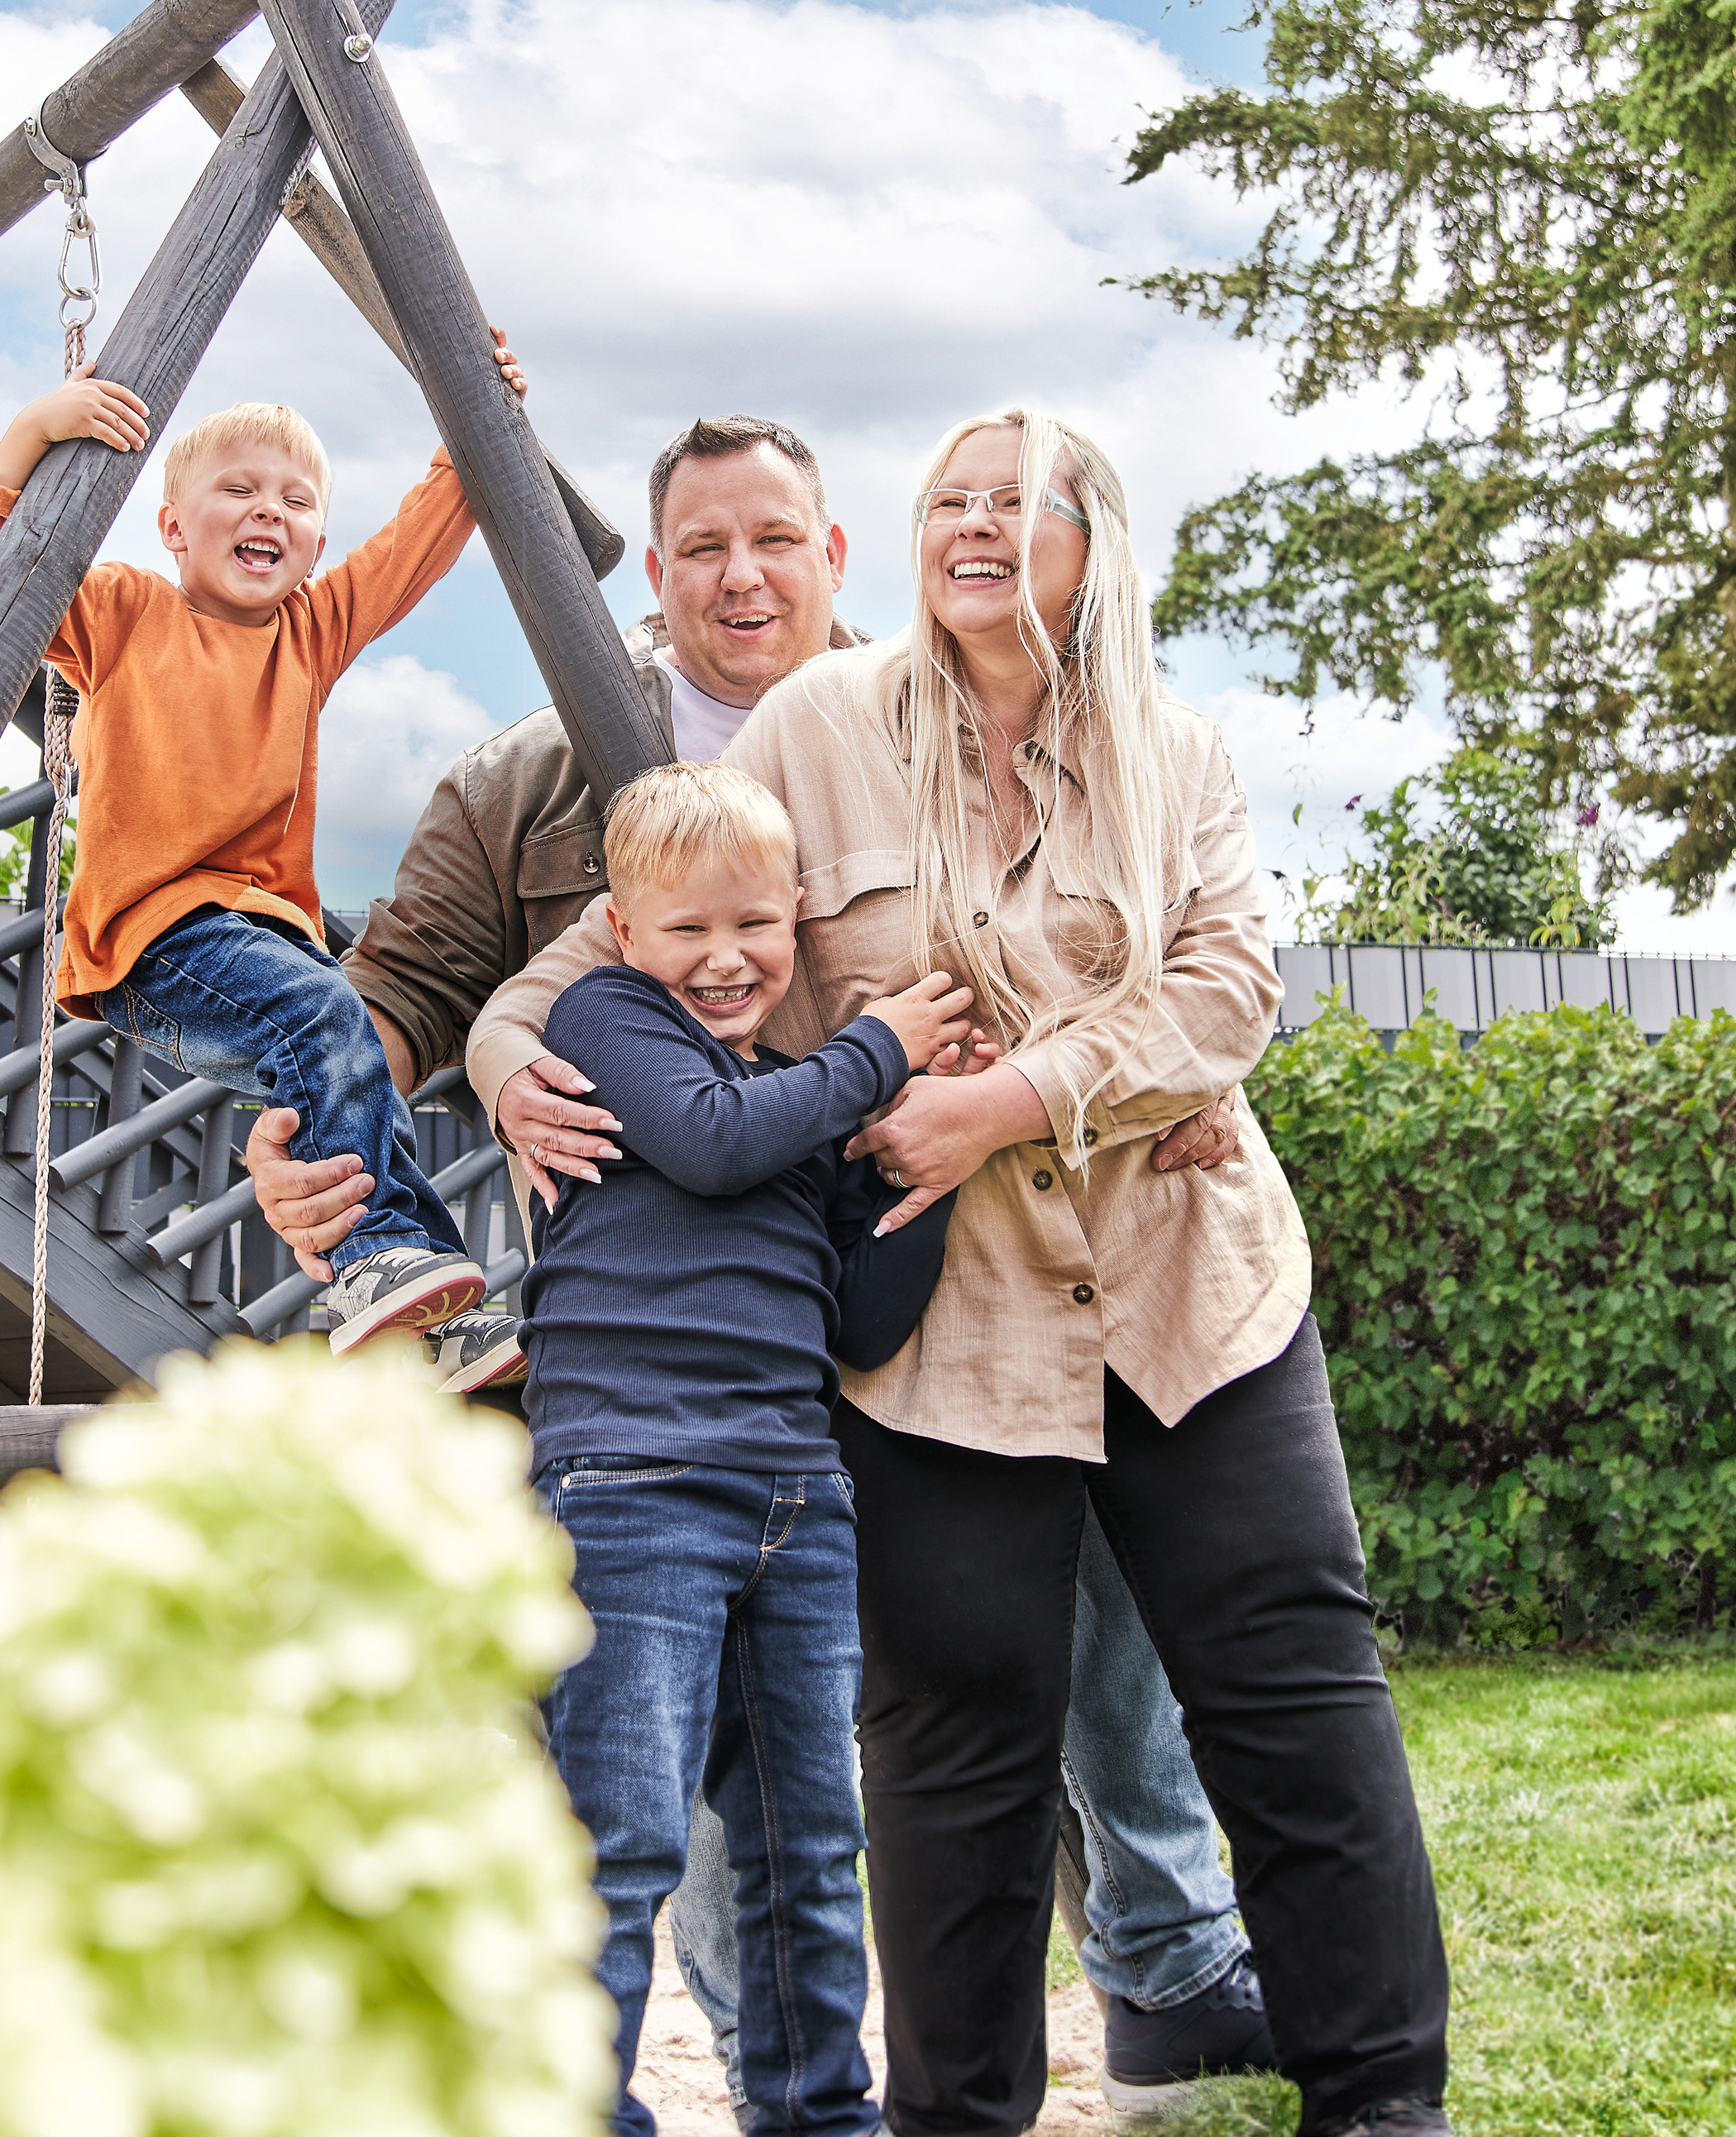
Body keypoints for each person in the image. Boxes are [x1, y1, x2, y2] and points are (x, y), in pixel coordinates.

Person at [251, 415, 1279, 2112]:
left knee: (1064, 1595)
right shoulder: (532, 776)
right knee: (718, 1773)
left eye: (776, 539)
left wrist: (1188, 1083)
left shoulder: (934, 720)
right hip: (673, 1361)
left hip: (928, 1271)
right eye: (705, 548)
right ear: (654, 574)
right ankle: (757, 2067)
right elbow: (414, 983)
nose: (742, 576)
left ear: (835, 553)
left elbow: (1122, 935)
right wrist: (336, 1123)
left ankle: (1163, 1947)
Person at [458, 407, 1454, 2137]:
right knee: (955, 1739)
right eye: (950, 500)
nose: (974, 524)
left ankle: (1381, 2102)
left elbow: (1226, 988)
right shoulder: (820, 726)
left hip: (1189, 1289)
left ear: (1093, 543)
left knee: (1295, 1690)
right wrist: (498, 1052)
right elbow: (641, 925)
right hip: (949, 1328)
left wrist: (1008, 1098)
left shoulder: (1178, 753)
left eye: (1016, 501)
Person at [525, 761, 968, 2137]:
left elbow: (865, 1322)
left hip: (794, 1493)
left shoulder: (803, 1096)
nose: (723, 959)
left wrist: (925, 1174)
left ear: (794, 922)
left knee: (808, 1843)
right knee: (621, 1837)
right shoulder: (605, 1024)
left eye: (753, 926)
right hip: (633, 1482)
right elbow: (711, 1144)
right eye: (687, 929)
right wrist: (881, 1048)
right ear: (623, 930)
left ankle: (817, 2115)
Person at [0, 351, 528, 1374]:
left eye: (296, 501)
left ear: (314, 544)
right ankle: (370, 1262)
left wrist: (476, 411)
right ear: (174, 526)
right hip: (153, 934)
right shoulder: (125, 612)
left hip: (261, 938)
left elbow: (414, 548)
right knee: (324, 1015)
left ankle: (427, 1311)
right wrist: (32, 432)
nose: (269, 510)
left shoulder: (311, 631)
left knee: (356, 1073)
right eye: (239, 490)